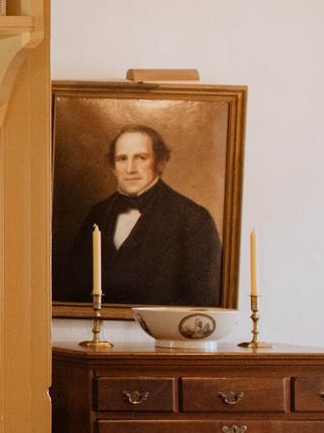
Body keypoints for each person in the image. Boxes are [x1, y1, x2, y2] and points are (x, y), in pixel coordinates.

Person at [56, 124, 223, 306]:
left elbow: (203, 300)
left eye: (141, 158)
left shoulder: (193, 219)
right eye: (121, 159)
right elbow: (70, 288)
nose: (130, 169)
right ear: (113, 167)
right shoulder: (97, 214)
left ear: (160, 162)